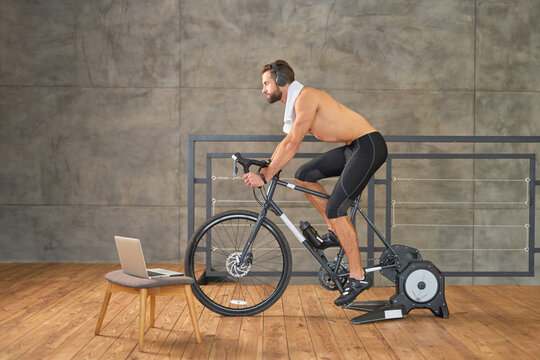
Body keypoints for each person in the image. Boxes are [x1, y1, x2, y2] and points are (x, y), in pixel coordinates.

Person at [242, 60, 388, 306]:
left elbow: (293, 142)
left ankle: (358, 276)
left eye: (266, 83)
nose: (263, 89)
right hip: (354, 148)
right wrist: (267, 165)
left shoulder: (306, 97)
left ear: (280, 81)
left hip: (368, 147)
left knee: (336, 209)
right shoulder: (297, 104)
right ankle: (334, 231)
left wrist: (266, 176)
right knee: (305, 174)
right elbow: (286, 141)